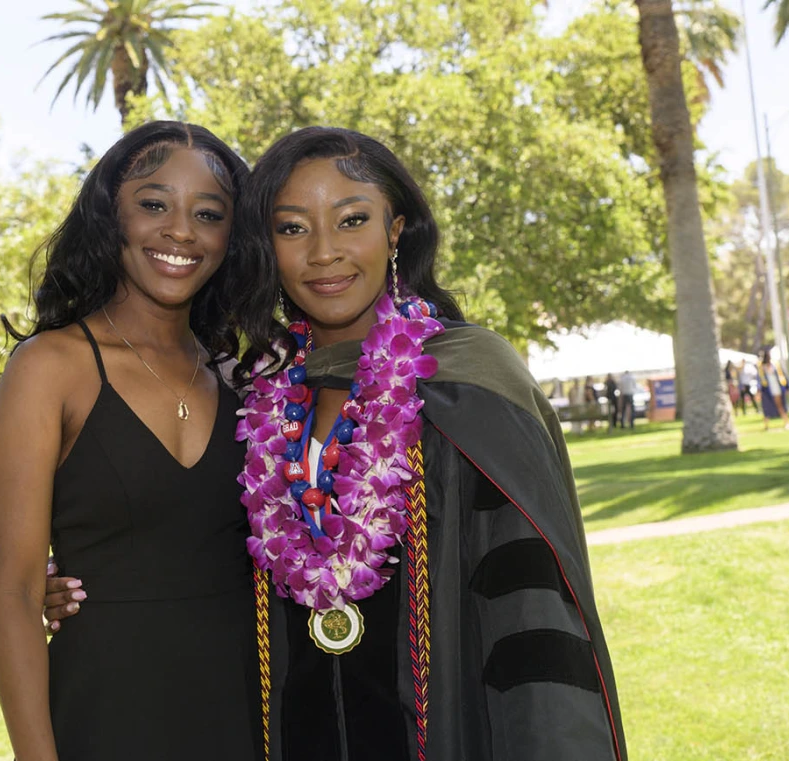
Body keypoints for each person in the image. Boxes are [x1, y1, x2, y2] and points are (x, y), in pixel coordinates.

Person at [229, 127, 624, 761]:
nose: (325, 252)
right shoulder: (257, 401)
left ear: (397, 231)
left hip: (451, 732)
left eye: (352, 219)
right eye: (293, 228)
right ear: (266, 249)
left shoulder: (469, 381)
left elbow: (532, 607)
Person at [0, 121, 259, 761]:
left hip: (246, 709)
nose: (181, 231)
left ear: (231, 238)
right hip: (105, 713)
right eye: (154, 204)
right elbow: (17, 598)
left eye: (209, 213)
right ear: (112, 214)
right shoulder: (50, 368)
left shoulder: (246, 378)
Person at [757, 350, 789, 431]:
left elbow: (783, 375)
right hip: (767, 390)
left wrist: (787, 387)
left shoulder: (775, 364)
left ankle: (787, 423)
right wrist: (759, 391)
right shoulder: (761, 367)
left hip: (778, 388)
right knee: (767, 407)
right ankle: (766, 425)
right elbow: (759, 379)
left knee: (780, 406)